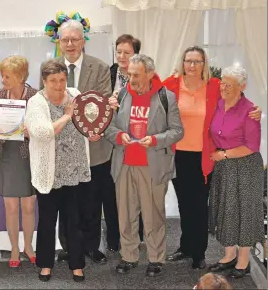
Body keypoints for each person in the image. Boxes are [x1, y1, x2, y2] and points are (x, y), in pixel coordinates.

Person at [162, 46, 261, 269]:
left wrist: (254, 109)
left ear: (204, 64)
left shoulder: (214, 85)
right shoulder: (172, 84)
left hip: (205, 156)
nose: (192, 66)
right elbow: (154, 96)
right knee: (184, 203)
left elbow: (235, 93)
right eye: (189, 61)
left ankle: (198, 252)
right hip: (178, 155)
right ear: (183, 62)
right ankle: (185, 247)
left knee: (199, 205)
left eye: (197, 62)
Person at [40, 19, 113, 263]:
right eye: (65, 40)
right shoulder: (50, 67)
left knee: (91, 200)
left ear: (83, 41)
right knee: (66, 202)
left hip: (93, 145)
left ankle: (91, 246)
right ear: (59, 42)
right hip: (60, 148)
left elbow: (102, 104)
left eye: (74, 39)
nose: (70, 44)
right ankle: (69, 247)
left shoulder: (100, 67)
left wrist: (97, 128)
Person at [105, 54, 184, 277]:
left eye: (136, 75)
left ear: (150, 73)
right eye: (129, 74)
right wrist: (119, 136)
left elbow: (178, 131)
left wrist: (156, 140)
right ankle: (128, 256)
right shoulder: (120, 94)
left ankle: (155, 258)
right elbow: (108, 128)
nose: (131, 79)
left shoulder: (165, 96)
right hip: (124, 164)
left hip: (152, 165)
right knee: (125, 214)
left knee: (153, 216)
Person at [26, 59, 91, 282]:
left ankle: (77, 265)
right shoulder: (36, 102)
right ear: (44, 81)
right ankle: (45, 265)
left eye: (62, 80)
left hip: (74, 170)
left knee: (74, 221)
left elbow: (88, 120)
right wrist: (66, 115)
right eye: (53, 81)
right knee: (47, 221)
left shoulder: (75, 94)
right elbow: (43, 132)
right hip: (48, 174)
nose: (59, 85)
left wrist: (94, 130)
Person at [0, 55, 37, 268]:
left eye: (7, 76)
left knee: (29, 207)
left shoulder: (36, 96)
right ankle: (14, 247)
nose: (3, 79)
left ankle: (28, 246)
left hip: (29, 157)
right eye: (2, 75)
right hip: (6, 157)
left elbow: (44, 129)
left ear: (20, 77)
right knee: (11, 207)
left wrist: (33, 133)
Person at [207, 65, 265, 279]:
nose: (224, 87)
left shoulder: (250, 110)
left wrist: (223, 155)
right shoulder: (219, 103)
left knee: (244, 212)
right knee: (227, 210)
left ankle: (243, 261)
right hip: (225, 166)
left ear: (242, 87)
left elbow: (252, 146)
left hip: (245, 166)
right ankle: (229, 255)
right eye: (223, 82)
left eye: (229, 85)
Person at [110, 34, 144, 247]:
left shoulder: (144, 74)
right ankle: (116, 237)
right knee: (115, 192)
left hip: (138, 140)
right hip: (113, 140)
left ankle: (138, 235)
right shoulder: (109, 72)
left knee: (138, 192)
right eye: (119, 51)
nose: (122, 56)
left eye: (127, 52)